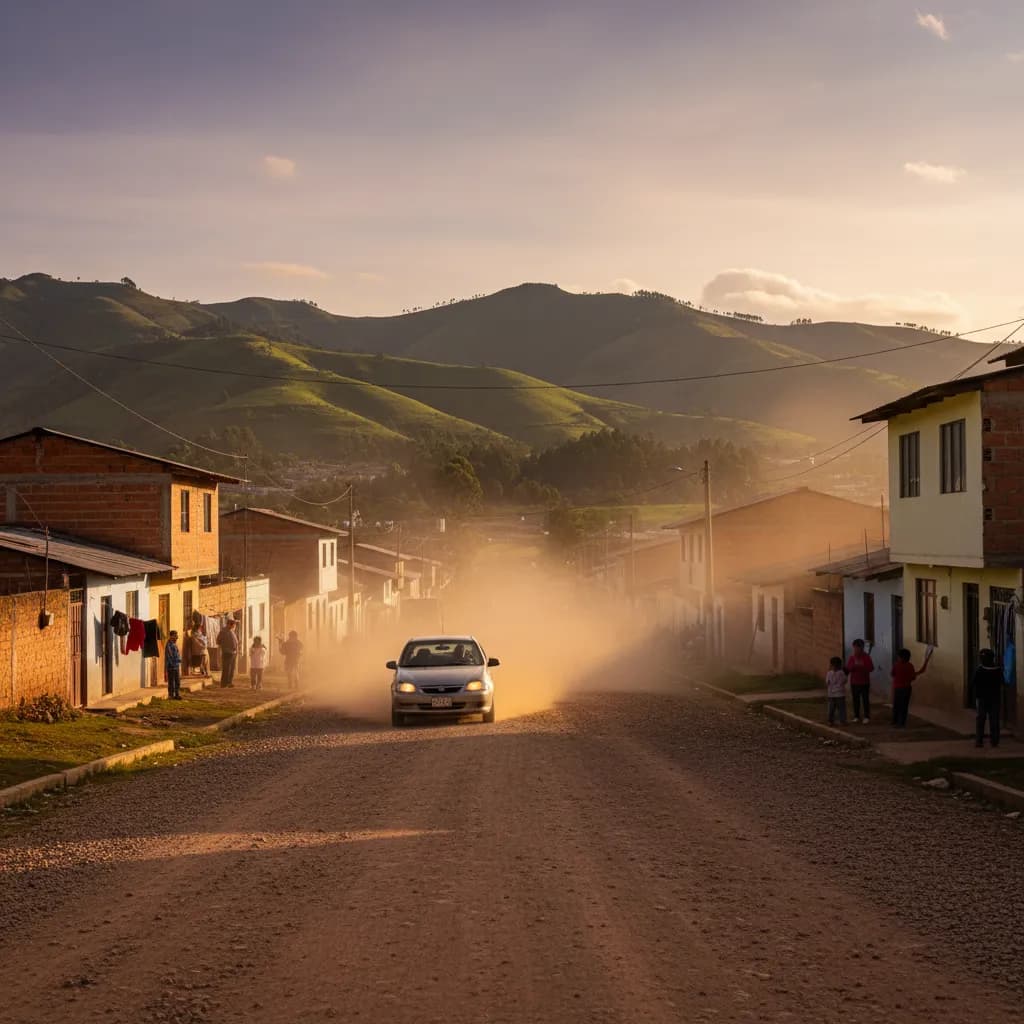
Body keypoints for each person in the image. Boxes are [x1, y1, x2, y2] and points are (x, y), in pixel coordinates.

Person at [972, 648, 1004, 748]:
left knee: (981, 720)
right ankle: (994, 741)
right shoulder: (997, 670)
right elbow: (1001, 682)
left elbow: (974, 683)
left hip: (982, 698)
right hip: (994, 698)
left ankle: (979, 741)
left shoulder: (980, 670)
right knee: (994, 720)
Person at [891, 647, 929, 727]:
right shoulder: (910, 666)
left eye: (898, 657)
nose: (898, 658)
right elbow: (913, 677)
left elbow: (892, 674)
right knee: (904, 706)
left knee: (896, 705)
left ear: (901, 657)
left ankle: (895, 721)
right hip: (906, 689)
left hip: (898, 688)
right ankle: (901, 723)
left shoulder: (897, 665)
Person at [845, 639, 874, 724]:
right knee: (855, 700)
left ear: (862, 647)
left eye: (858, 648)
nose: (856, 650)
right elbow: (848, 669)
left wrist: (863, 665)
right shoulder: (852, 657)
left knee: (865, 700)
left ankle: (866, 716)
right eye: (855, 648)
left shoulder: (866, 657)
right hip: (854, 682)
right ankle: (856, 716)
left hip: (865, 682)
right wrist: (854, 666)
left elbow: (871, 668)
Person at [825, 656, 848, 726]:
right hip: (831, 694)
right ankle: (830, 720)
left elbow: (844, 681)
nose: (834, 667)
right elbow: (827, 682)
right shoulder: (829, 673)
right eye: (833, 665)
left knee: (841, 709)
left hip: (839, 694)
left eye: (836, 665)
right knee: (831, 709)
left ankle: (842, 720)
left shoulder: (841, 673)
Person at [217, 619, 239, 688]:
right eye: (233, 625)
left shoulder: (232, 631)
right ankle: (224, 683)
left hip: (233, 652)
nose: (234, 626)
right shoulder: (223, 631)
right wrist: (225, 646)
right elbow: (218, 641)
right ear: (229, 624)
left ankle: (229, 682)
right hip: (227, 652)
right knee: (226, 668)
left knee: (232, 668)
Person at [165, 630, 183, 700]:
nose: (176, 637)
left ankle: (177, 694)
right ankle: (171, 695)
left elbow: (177, 654)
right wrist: (172, 664)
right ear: (171, 636)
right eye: (175, 636)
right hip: (171, 666)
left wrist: (178, 661)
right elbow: (169, 656)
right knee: (171, 681)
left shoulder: (174, 644)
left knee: (177, 681)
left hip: (176, 665)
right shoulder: (169, 645)